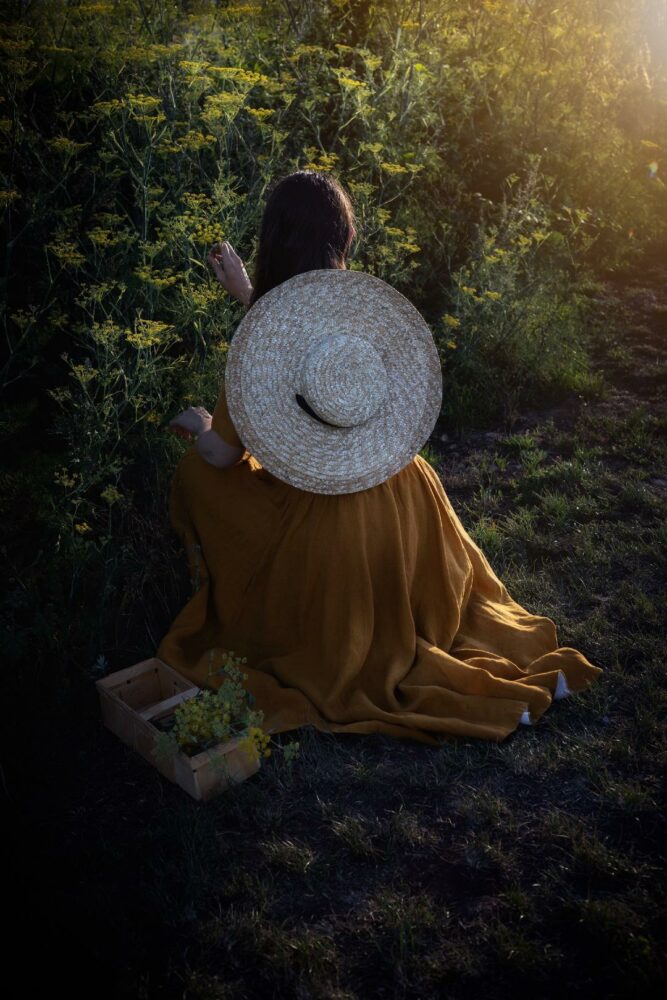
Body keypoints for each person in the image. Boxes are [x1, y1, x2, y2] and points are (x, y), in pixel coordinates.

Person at [158, 170, 602, 747]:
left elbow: (221, 455)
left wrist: (201, 424)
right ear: (342, 239)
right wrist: (251, 301)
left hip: (332, 524)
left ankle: (247, 604)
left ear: (273, 242)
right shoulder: (361, 315)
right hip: (405, 496)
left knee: (196, 470)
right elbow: (308, 340)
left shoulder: (262, 345)